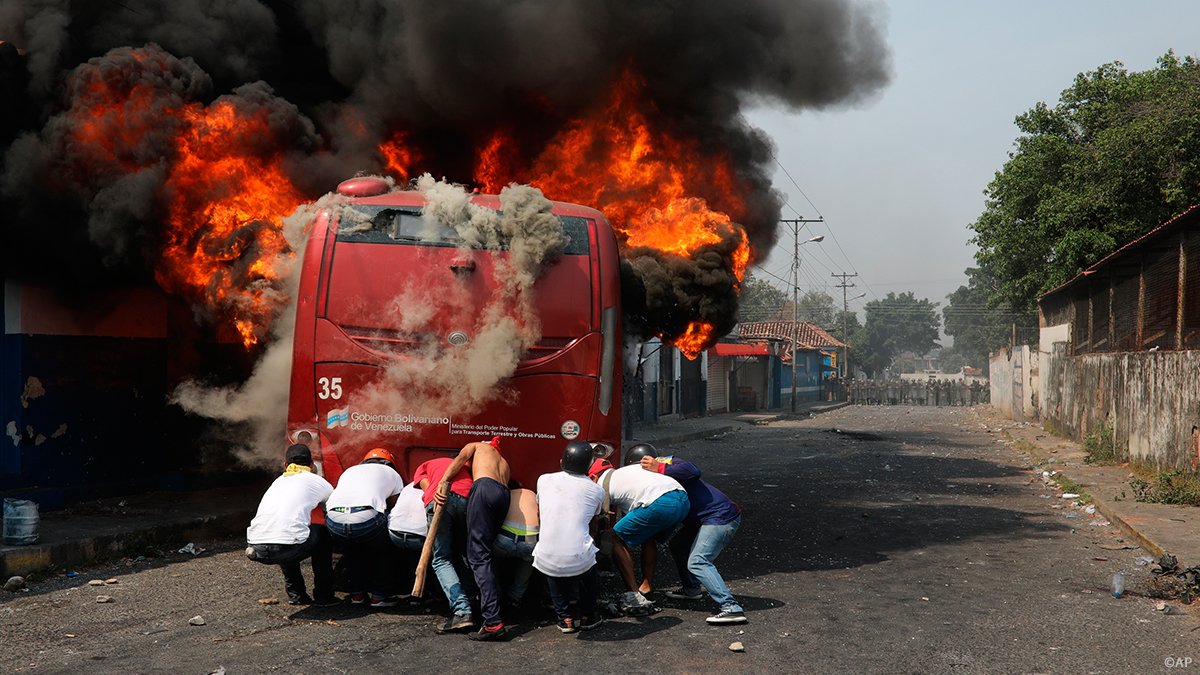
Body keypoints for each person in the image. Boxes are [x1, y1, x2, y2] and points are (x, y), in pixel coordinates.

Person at [635, 444, 748, 624]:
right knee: (678, 546)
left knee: (698, 561)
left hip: (719, 516)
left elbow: (693, 471)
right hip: (701, 519)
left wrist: (660, 467)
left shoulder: (667, 463)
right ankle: (692, 588)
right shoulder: (650, 482)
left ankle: (731, 607)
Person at [588, 452, 689, 614]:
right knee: (648, 537)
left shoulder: (599, 486)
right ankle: (646, 586)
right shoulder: (626, 472)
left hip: (660, 503)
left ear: (593, 477)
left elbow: (596, 525)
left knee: (612, 538)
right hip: (682, 499)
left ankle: (633, 595)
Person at [436, 437, 511, 641]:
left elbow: (460, 459)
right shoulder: (504, 463)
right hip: (503, 495)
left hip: (484, 488)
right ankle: (494, 609)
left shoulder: (477, 446)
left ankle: (493, 621)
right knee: (487, 553)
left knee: (478, 556)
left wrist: (443, 482)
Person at [245, 444, 337, 606]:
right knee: (321, 535)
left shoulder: (277, 482)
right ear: (311, 465)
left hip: (255, 548)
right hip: (286, 548)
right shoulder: (319, 482)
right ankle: (325, 596)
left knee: (287, 533)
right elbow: (332, 512)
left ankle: (297, 595)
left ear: (285, 465)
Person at [533, 441, 606, 633]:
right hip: (579, 560)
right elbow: (594, 522)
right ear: (589, 466)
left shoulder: (543, 479)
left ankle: (564, 618)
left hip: (545, 558)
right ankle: (588, 615)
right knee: (590, 566)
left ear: (561, 462)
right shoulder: (597, 490)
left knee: (552, 563)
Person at [325, 447, 404, 609]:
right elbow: (394, 506)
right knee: (387, 549)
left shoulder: (350, 471)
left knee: (352, 550)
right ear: (389, 464)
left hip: (334, 520)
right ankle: (379, 596)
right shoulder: (393, 474)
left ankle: (356, 595)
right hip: (365, 520)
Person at [413, 455, 476, 634]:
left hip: (440, 500)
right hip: (467, 500)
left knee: (441, 559)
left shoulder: (424, 465)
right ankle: (471, 602)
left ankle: (462, 611)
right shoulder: (465, 467)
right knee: (466, 554)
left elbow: (428, 488)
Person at [492, 485, 538, 611]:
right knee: (528, 561)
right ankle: (515, 597)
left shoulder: (506, 494)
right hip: (529, 538)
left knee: (490, 558)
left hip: (505, 536)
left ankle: (494, 593)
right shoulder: (534, 496)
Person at [387, 480, 429, 595]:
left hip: (395, 533)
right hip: (420, 537)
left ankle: (393, 589)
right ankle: (425, 593)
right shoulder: (438, 486)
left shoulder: (410, 485)